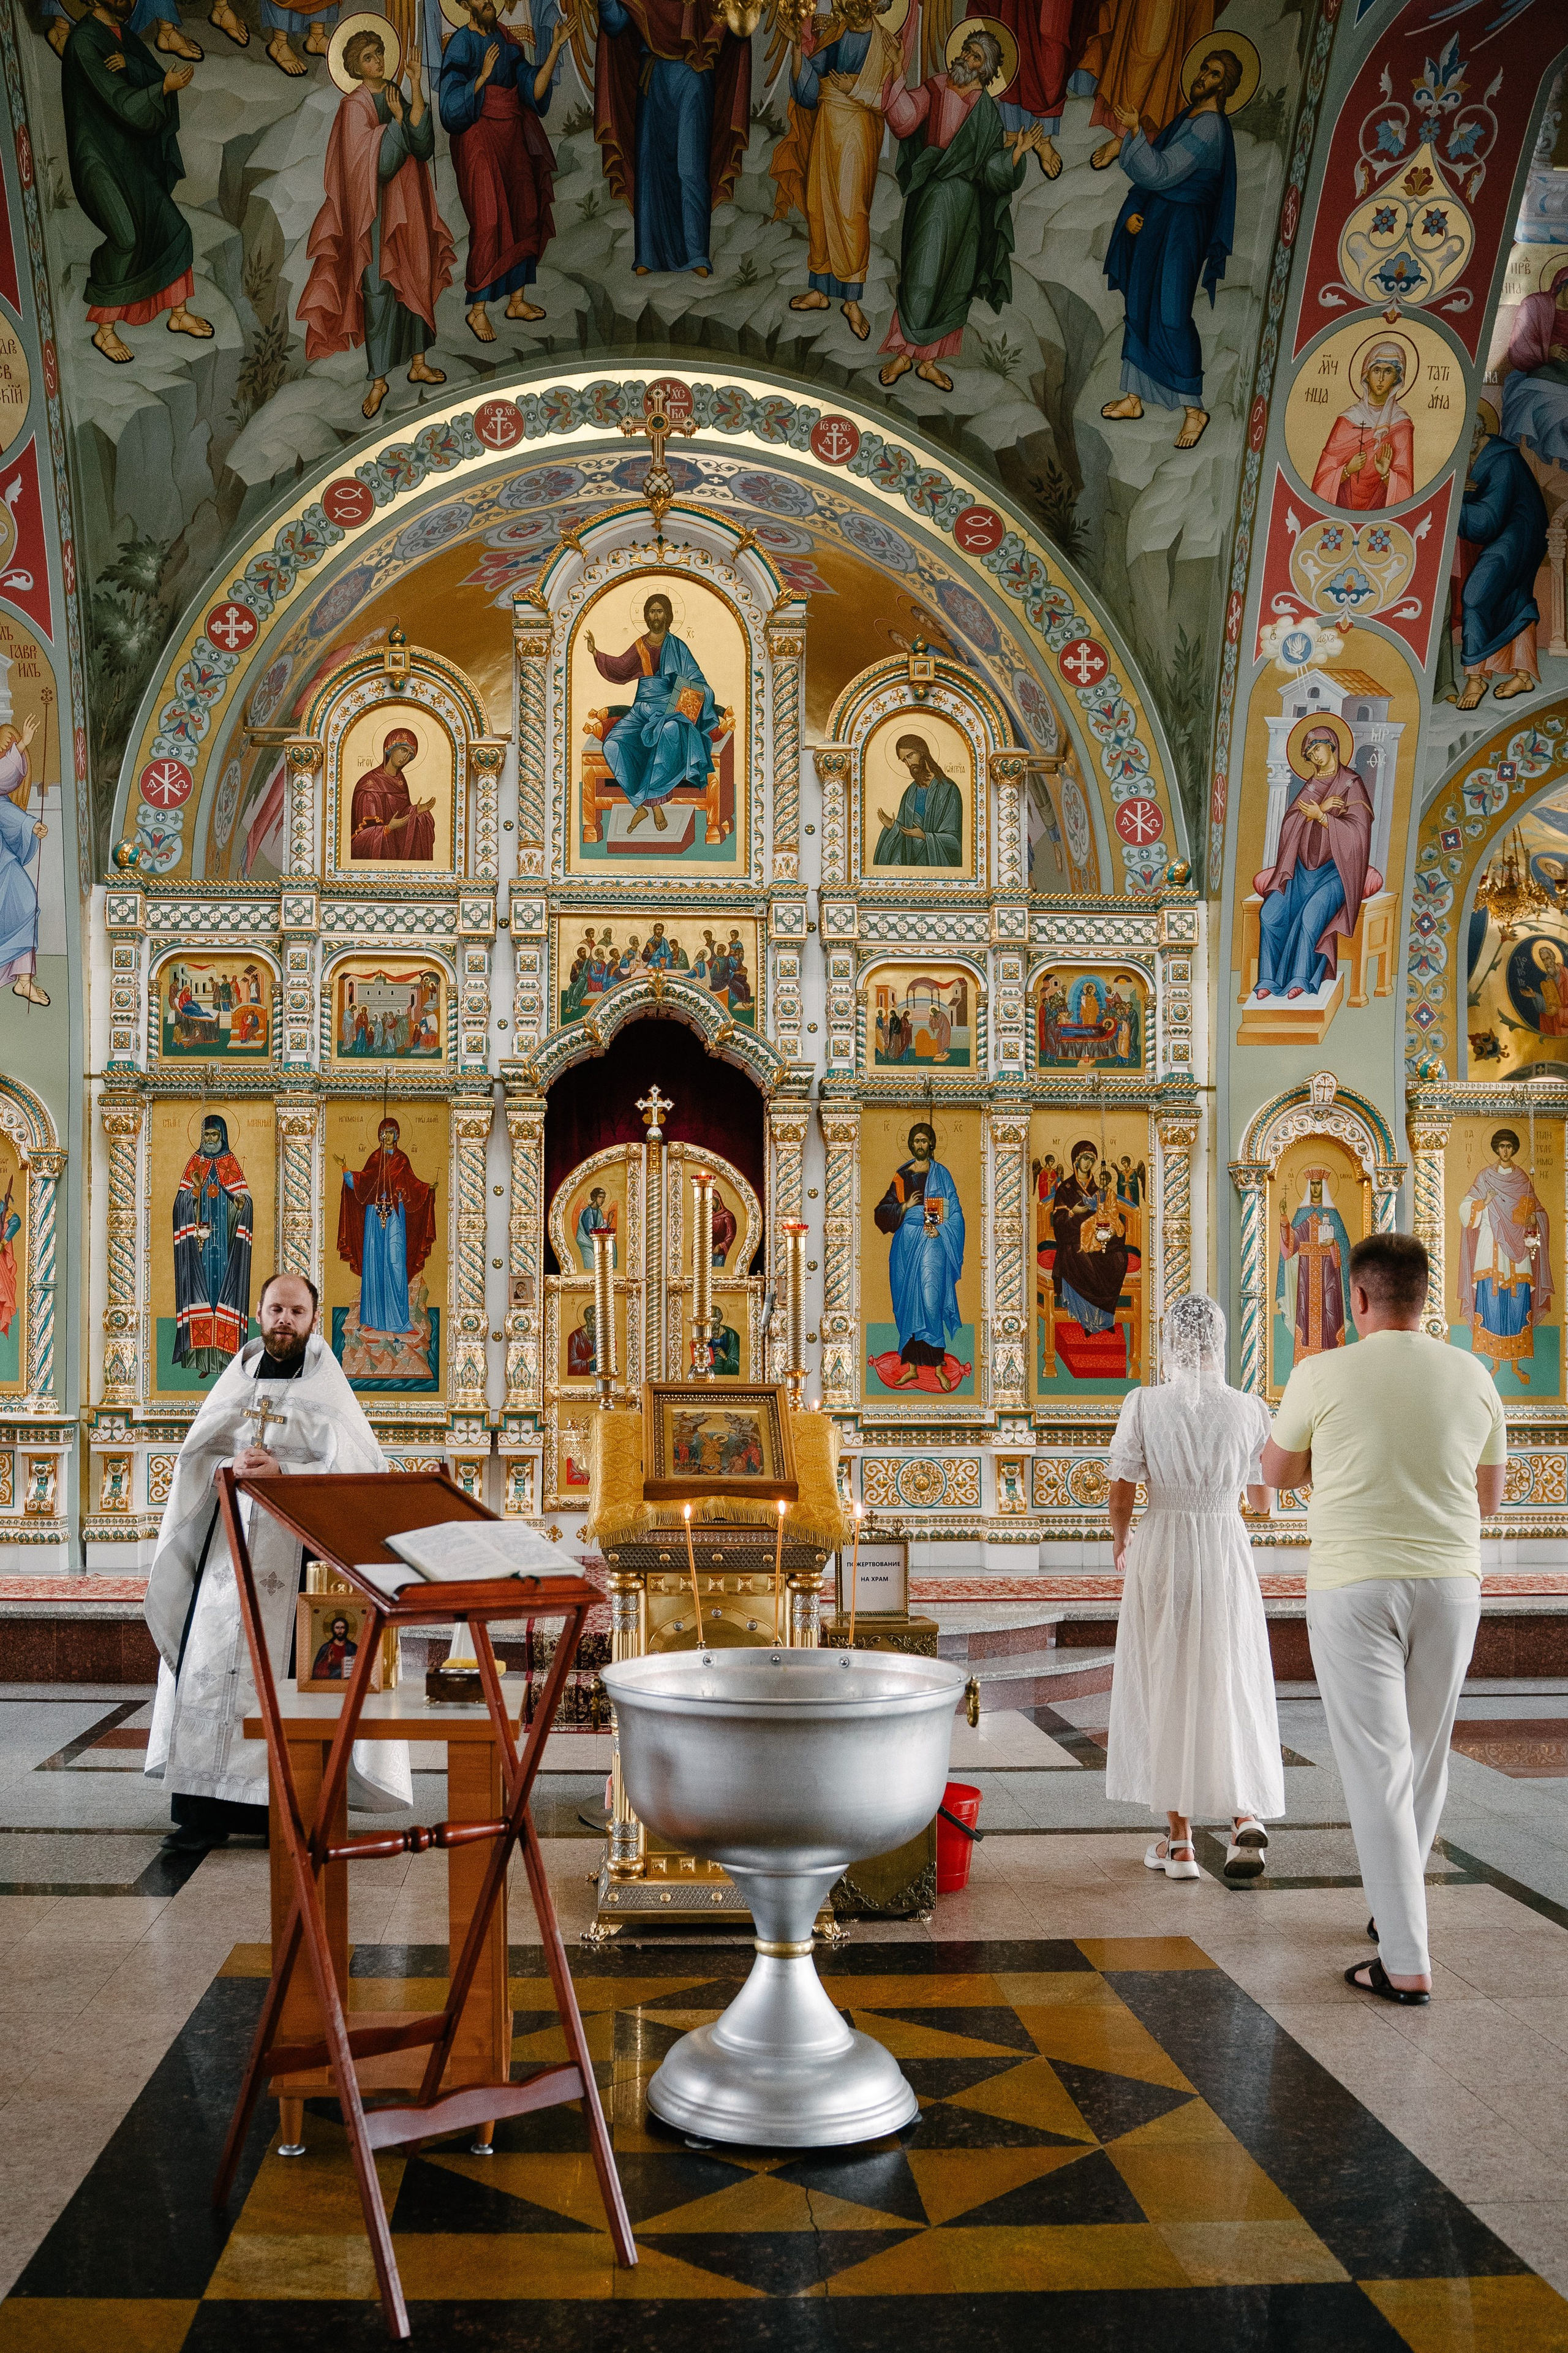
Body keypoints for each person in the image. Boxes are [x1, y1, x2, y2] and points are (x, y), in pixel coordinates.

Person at [1261, 1232, 1507, 2003]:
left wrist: (1331, 1459)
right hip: (1450, 1583)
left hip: (1353, 1584)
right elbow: (1489, 1498)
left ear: (1356, 1297)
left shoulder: (1320, 1371)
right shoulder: (1474, 1374)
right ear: (1425, 1297)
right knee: (1424, 1759)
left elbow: (1275, 1471)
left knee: (1376, 1764)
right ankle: (1393, 1907)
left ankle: (1403, 1961)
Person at [144, 1271, 411, 1852]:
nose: (284, 1320)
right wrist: (230, 1467)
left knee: (292, 1679)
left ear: (314, 1318)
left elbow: (361, 1475)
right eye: (275, 1309)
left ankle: (287, 1812)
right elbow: (197, 1459)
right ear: (259, 1314)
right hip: (227, 1553)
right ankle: (202, 1813)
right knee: (210, 1665)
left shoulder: (329, 1392)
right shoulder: (235, 1382)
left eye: (296, 1311)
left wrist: (287, 1472)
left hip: (298, 1560)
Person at [1106, 1294, 1281, 1882]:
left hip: (1162, 1545)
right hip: (1225, 1547)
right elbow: (1262, 1500)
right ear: (1219, 1342)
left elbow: (1122, 1492)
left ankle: (1180, 1842)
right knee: (1229, 1672)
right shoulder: (1249, 1408)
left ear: (1169, 1341)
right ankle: (1243, 1814)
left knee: (1165, 1675)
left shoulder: (1144, 1403)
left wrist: (1121, 1541)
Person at [297, 24, 454, 422]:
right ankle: (379, 379)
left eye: (380, 53)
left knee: (416, 274)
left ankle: (418, 362)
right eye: (368, 57)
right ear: (354, 66)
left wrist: (414, 87)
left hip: (410, 207)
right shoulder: (353, 107)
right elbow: (377, 165)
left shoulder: (395, 92)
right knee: (380, 289)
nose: (378, 61)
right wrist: (397, 123)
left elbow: (423, 145)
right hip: (374, 214)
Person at [878, 25, 1043, 395]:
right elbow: (904, 121)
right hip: (932, 196)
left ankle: (930, 362)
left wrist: (1016, 153)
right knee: (921, 273)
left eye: (976, 57)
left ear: (987, 70)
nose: (966, 58)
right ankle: (904, 354)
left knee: (955, 281)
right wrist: (896, 71)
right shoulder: (937, 87)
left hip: (966, 208)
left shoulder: (987, 112)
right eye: (967, 50)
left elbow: (991, 169)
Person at [1098, 46, 1240, 452]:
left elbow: (1162, 171)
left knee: (1172, 313)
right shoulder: (1188, 118)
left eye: (1214, 73)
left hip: (1182, 227)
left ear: (1224, 86)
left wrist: (1134, 134)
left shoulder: (1210, 128)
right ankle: (1134, 396)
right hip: (1158, 221)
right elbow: (1156, 177)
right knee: (1140, 303)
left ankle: (1194, 408)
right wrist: (1136, 211)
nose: (1203, 76)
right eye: (1204, 68)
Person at [61, 0, 212, 366]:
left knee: (174, 228)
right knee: (127, 238)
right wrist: (162, 88)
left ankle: (178, 314)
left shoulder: (123, 35)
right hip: (99, 160)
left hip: (130, 156)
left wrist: (139, 69)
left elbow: (150, 73)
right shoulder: (83, 41)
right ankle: (104, 330)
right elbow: (121, 102)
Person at [441, 0, 576, 341]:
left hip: (512, 131)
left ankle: (516, 301)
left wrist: (555, 49)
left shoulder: (504, 37)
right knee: (488, 219)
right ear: (464, 4)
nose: (488, 0)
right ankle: (477, 311)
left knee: (526, 211)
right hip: (477, 135)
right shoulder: (460, 43)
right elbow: (449, 107)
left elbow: (532, 88)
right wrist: (481, 79)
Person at [770, 0, 902, 341]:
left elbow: (891, 100)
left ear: (877, 6)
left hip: (859, 131)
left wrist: (853, 89)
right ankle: (820, 290)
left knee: (851, 212)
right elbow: (809, 92)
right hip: (827, 126)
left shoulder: (886, 45)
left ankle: (852, 301)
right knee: (819, 205)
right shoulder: (835, 34)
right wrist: (796, 48)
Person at [593, 0, 750, 276]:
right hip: (654, 75)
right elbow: (616, 23)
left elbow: (737, 27)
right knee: (650, 166)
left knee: (690, 165)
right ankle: (648, 253)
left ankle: (696, 252)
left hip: (694, 73)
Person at [1252, 722, 1376, 1002]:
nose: (1314, 756)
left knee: (1311, 917)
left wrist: (1322, 817)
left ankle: (1302, 978)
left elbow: (1358, 835)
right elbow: (1289, 826)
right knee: (1270, 914)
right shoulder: (1311, 786)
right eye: (1309, 754)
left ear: (1332, 746)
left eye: (1317, 749)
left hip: (1336, 872)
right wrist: (1314, 813)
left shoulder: (1351, 784)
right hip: (1300, 872)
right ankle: (1268, 979)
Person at [585, 593, 719, 834]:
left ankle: (653, 806)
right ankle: (643, 806)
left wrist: (691, 699)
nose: (656, 616)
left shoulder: (678, 647)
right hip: (640, 711)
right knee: (612, 745)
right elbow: (620, 668)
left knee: (667, 734)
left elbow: (698, 682)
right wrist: (596, 653)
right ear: (646, 616)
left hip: (670, 712)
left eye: (660, 611)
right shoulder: (640, 645)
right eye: (652, 612)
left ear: (668, 615)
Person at [1450, 410, 1548, 711]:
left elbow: (1485, 523)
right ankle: (1523, 675)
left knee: (1476, 595)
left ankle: (1476, 678)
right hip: (1515, 534)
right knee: (1514, 598)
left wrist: (1453, 502)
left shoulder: (1502, 460)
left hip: (1519, 534)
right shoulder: (1477, 457)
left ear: (1476, 433)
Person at [872, 1119, 966, 1389]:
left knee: (931, 1299)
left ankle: (938, 1369)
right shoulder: (902, 1175)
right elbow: (882, 1212)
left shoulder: (941, 1173)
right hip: (906, 1243)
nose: (920, 1145)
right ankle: (912, 1369)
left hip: (932, 1239)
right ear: (911, 1144)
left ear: (931, 1143)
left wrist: (940, 1228)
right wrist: (904, 1206)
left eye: (924, 1140)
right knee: (907, 1303)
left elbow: (953, 1208)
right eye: (916, 1141)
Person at [1457, 1128, 1552, 1385]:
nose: (1506, 1151)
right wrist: (1484, 1202)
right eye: (1502, 1146)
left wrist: (1534, 1218)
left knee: (1518, 1304)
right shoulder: (1485, 1177)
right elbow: (1465, 1210)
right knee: (1491, 1302)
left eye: (1510, 1146)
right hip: (1490, 1246)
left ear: (1515, 1149)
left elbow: (1540, 1212)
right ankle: (1495, 1364)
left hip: (1518, 1250)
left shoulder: (1522, 1179)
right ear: (1496, 1149)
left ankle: (1517, 1366)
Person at [337, 1117, 438, 1335]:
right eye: (384, 1132)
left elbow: (413, 1186)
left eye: (391, 1132)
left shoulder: (402, 1160)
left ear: (397, 1135)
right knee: (374, 1264)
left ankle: (400, 1321)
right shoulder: (375, 1159)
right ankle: (372, 1319)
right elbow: (359, 1184)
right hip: (374, 1218)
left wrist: (428, 1190)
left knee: (395, 1262)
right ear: (380, 1136)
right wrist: (345, 1169)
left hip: (395, 1217)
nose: (388, 1136)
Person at [173, 1113, 253, 1378]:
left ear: (223, 1137)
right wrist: (195, 1192)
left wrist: (240, 1205)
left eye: (214, 1135)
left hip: (225, 1248)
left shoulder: (231, 1163)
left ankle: (225, 1360)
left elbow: (245, 1204)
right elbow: (179, 1205)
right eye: (206, 1135)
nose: (209, 1140)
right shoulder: (195, 1162)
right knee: (201, 1296)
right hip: (199, 1250)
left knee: (223, 1297)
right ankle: (202, 1360)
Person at [1311, 342, 1415, 510]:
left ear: (1397, 378)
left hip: (1380, 514)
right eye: (1377, 370)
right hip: (1341, 509)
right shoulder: (1347, 419)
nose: (1381, 378)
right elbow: (1322, 479)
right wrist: (1347, 470)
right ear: (1367, 374)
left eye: (1388, 371)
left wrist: (1386, 475)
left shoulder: (1401, 424)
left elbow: (1405, 487)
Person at [1049, 1136, 1128, 1340]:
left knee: (1120, 1259)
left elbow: (1114, 1214)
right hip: (1073, 1240)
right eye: (1085, 1158)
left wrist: (1110, 1230)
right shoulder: (1066, 1188)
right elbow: (1058, 1221)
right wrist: (1072, 1212)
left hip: (1102, 1238)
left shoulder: (1101, 1187)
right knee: (1083, 1261)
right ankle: (1088, 1320)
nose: (1088, 1163)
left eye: (1091, 1160)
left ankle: (1106, 1318)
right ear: (1076, 1161)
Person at [1278, 1167, 1352, 1362]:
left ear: (1324, 1186)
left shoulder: (1333, 1215)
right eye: (1313, 1184)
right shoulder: (1302, 1214)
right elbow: (1292, 1244)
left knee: (1330, 1313)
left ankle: (1331, 1359)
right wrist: (1284, 1219)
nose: (1316, 1188)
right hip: (1307, 1275)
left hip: (1329, 1276)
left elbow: (1345, 1249)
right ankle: (1306, 1357)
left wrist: (1333, 1244)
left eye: (1319, 1184)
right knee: (1305, 1315)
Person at [0, 716, 47, 1008]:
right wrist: (21, 746)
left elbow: (6, 809)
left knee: (27, 904)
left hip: (4, 863)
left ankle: (24, 980)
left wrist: (30, 825)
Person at [872, 732, 963, 866]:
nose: (909, 763)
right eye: (904, 760)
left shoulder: (948, 789)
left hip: (934, 864)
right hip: (912, 861)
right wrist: (894, 827)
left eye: (910, 756)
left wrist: (925, 836)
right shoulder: (910, 792)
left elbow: (954, 840)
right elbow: (905, 831)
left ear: (922, 752)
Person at [349, 729, 438, 860]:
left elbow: (401, 814)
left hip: (395, 849)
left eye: (410, 754)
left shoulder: (400, 781)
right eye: (403, 750)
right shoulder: (369, 786)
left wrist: (415, 811)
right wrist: (389, 828)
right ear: (390, 748)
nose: (405, 757)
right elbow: (362, 837)